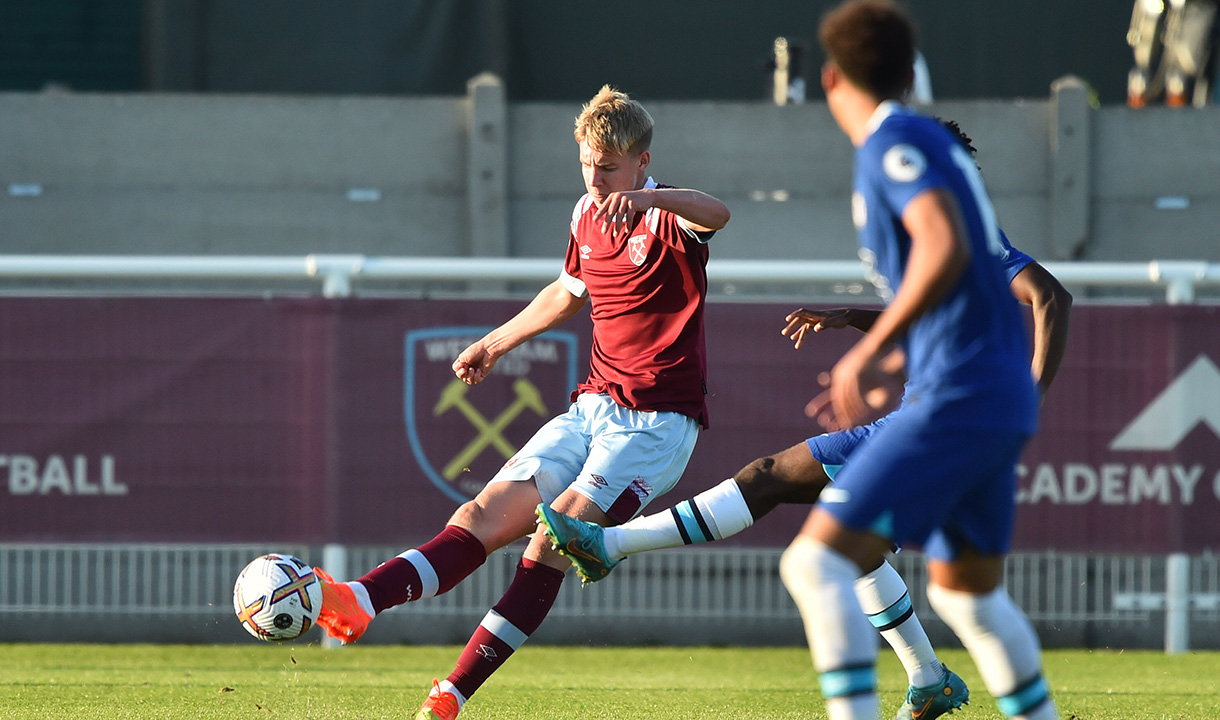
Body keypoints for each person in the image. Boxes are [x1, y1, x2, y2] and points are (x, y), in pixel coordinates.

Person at [538, 122, 1071, 720]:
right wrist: (853, 320)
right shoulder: (932, 235)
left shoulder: (967, 232)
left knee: (790, 513)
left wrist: (1030, 395)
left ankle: (611, 543)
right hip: (926, 423)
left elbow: (1051, 297)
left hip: (937, 428)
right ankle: (929, 677)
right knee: (886, 561)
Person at [311, 84, 731, 720]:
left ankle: (451, 694)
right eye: (587, 162)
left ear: (642, 161)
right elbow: (567, 294)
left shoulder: (668, 215)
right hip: (593, 405)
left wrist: (647, 199)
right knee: (481, 513)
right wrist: (494, 343)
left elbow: (718, 212)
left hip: (657, 425)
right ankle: (360, 601)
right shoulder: (584, 215)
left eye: (610, 166)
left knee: (551, 539)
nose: (595, 176)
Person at [791, 2, 1058, 718]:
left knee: (815, 563)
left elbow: (944, 245)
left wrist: (866, 354)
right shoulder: (925, 142)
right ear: (910, 73)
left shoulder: (891, 143)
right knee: (966, 595)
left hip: (957, 394)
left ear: (829, 78)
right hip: (994, 394)